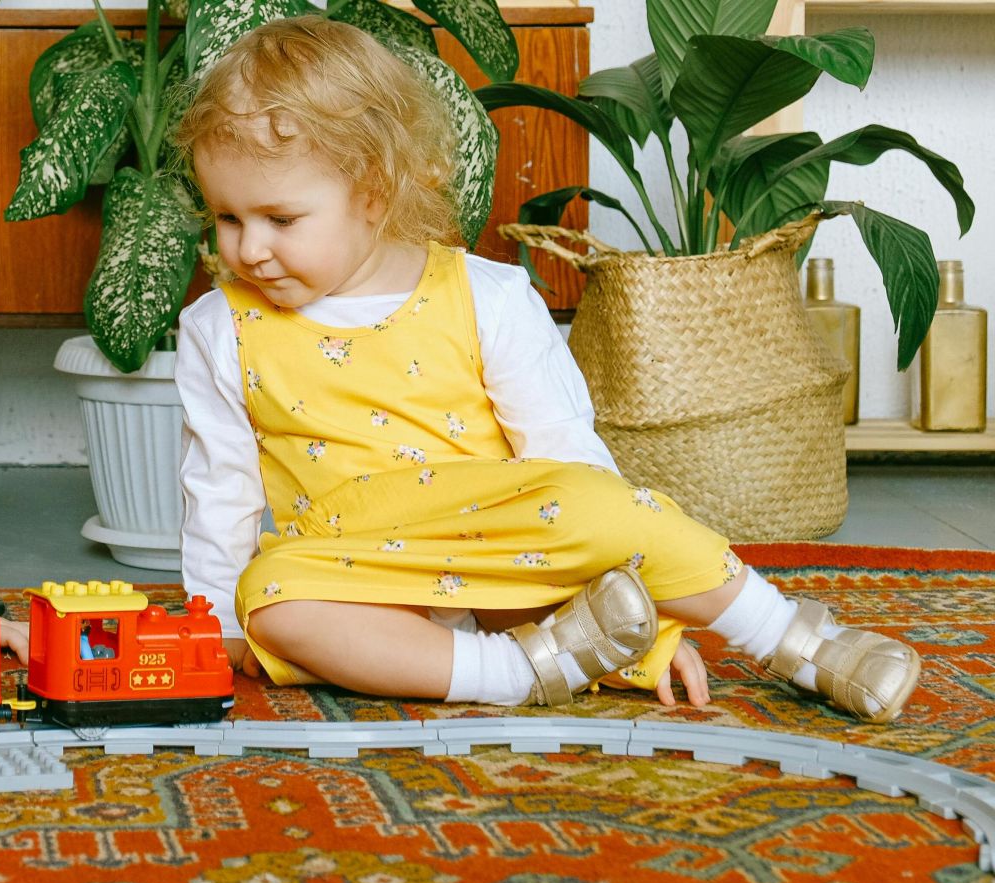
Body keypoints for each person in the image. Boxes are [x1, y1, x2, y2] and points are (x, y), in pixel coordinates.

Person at [172, 16, 921, 720]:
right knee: (270, 598)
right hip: (358, 572)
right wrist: (213, 618)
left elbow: (566, 458)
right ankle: (517, 673)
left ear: (372, 192)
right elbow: (220, 488)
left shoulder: (486, 295)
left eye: (280, 219)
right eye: (228, 218)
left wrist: (648, 631)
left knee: (601, 503)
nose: (248, 249)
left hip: (511, 554)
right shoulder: (221, 327)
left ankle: (792, 638)